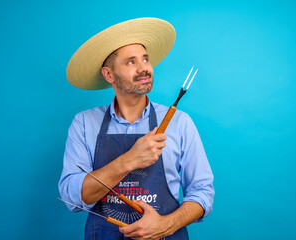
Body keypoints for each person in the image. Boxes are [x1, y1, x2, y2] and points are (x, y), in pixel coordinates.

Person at [58, 17, 214, 240]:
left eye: (146, 59)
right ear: (109, 74)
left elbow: (203, 192)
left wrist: (167, 225)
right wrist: (130, 159)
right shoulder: (84, 123)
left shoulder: (180, 122)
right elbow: (72, 198)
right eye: (131, 62)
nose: (144, 69)